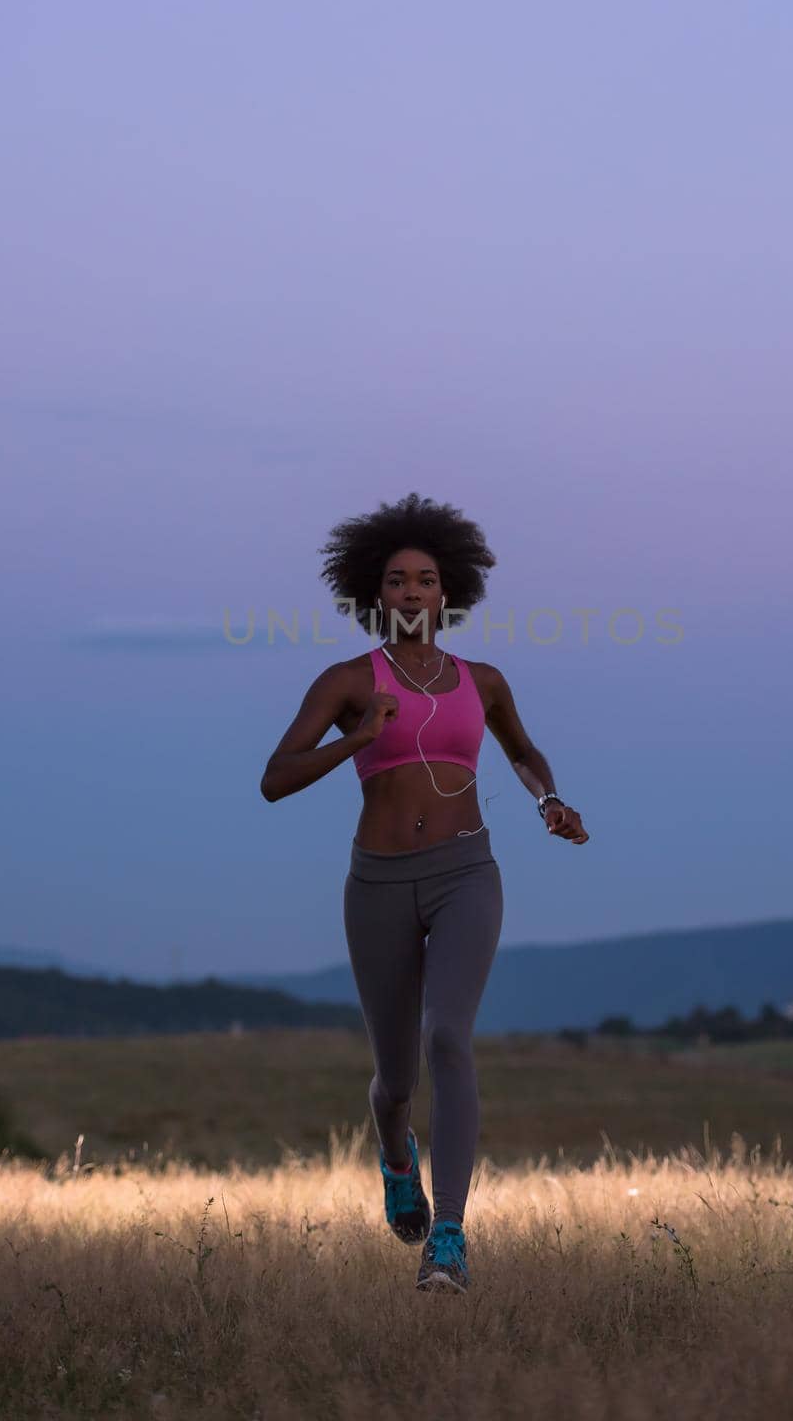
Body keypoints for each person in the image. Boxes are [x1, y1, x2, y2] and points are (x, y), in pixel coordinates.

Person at [260, 491, 589, 1293]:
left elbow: (524, 750)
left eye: (427, 579)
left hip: (466, 872)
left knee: (450, 1038)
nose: (412, 592)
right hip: (377, 883)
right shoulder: (345, 682)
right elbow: (275, 779)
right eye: (398, 581)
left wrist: (548, 799)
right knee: (397, 1078)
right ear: (376, 595)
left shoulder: (484, 679)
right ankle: (396, 1153)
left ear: (450, 594)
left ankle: (449, 1234)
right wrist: (359, 741)